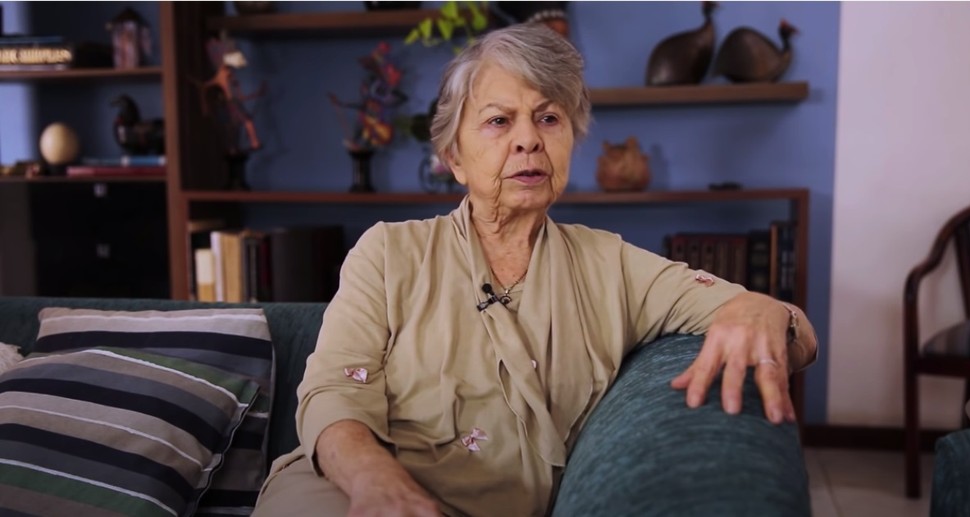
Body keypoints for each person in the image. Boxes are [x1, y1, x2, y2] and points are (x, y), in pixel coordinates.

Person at [254, 22, 818, 517]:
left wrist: (763, 310)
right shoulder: (388, 253)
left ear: (571, 139)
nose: (529, 139)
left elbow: (794, 331)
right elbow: (332, 391)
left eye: (549, 118)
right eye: (499, 121)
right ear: (454, 157)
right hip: (350, 490)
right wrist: (379, 485)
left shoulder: (613, 266)